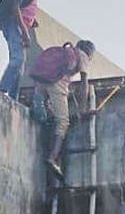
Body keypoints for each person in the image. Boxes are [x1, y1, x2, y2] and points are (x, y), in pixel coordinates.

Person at [35, 40, 98, 179]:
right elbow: (84, 84)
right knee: (63, 122)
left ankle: (41, 113)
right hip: (56, 83)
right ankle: (52, 158)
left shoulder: (67, 51)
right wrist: (82, 109)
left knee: (48, 115)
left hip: (41, 81)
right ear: (89, 52)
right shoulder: (83, 56)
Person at [0, 0, 52, 98]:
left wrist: (31, 22)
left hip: (18, 26)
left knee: (20, 69)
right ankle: (1, 92)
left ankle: (12, 98)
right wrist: (25, 32)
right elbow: (16, 6)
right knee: (18, 60)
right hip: (14, 25)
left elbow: (24, 8)